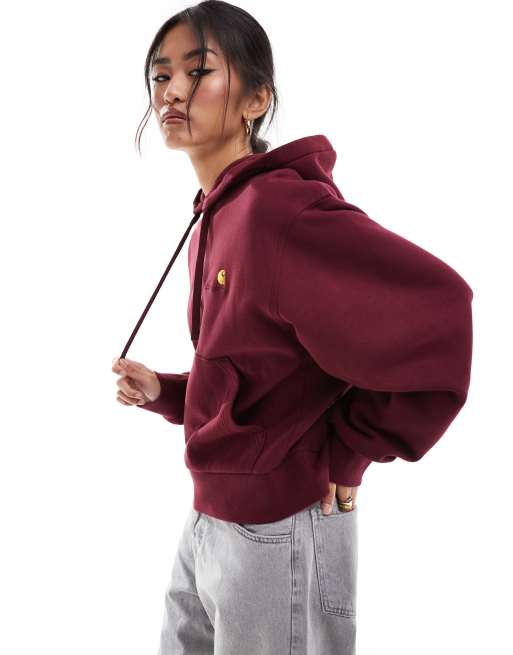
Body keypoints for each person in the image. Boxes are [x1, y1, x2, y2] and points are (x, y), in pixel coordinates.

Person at [110, 2, 474, 653]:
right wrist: (166, 392)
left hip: (280, 526)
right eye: (161, 75)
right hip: (212, 518)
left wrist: (352, 449)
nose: (172, 91)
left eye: (198, 71)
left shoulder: (278, 212)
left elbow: (440, 306)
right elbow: (260, 370)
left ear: (256, 100)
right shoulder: (219, 212)